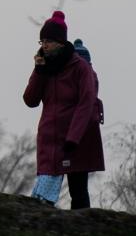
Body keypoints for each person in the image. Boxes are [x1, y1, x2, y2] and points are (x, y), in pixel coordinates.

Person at [24, 11, 104, 210]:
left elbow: (86, 103)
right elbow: (30, 100)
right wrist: (38, 71)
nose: (44, 45)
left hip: (74, 141)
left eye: (48, 41)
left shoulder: (80, 68)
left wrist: (73, 138)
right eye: (41, 41)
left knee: (78, 193)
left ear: (60, 41)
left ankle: (84, 230)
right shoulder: (45, 67)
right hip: (50, 140)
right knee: (42, 197)